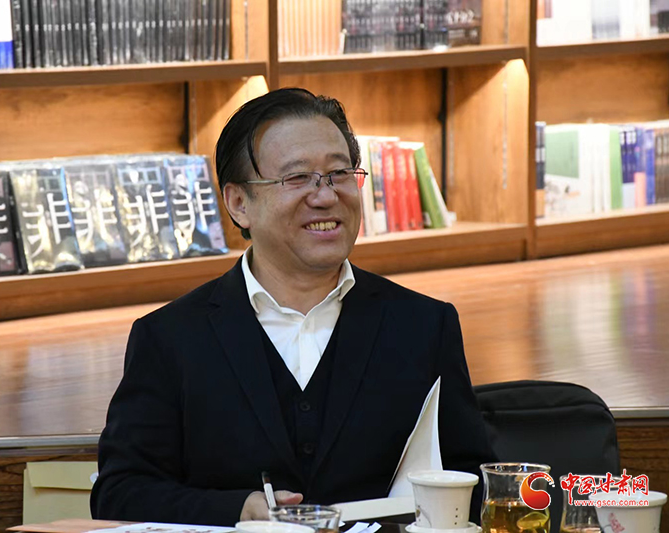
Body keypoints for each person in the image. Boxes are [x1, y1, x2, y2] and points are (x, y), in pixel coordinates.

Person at [90, 88, 496, 526]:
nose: (325, 196)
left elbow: (473, 480)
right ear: (239, 203)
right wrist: (237, 511)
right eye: (298, 178)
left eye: (339, 173)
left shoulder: (424, 326)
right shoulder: (170, 338)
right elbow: (120, 493)